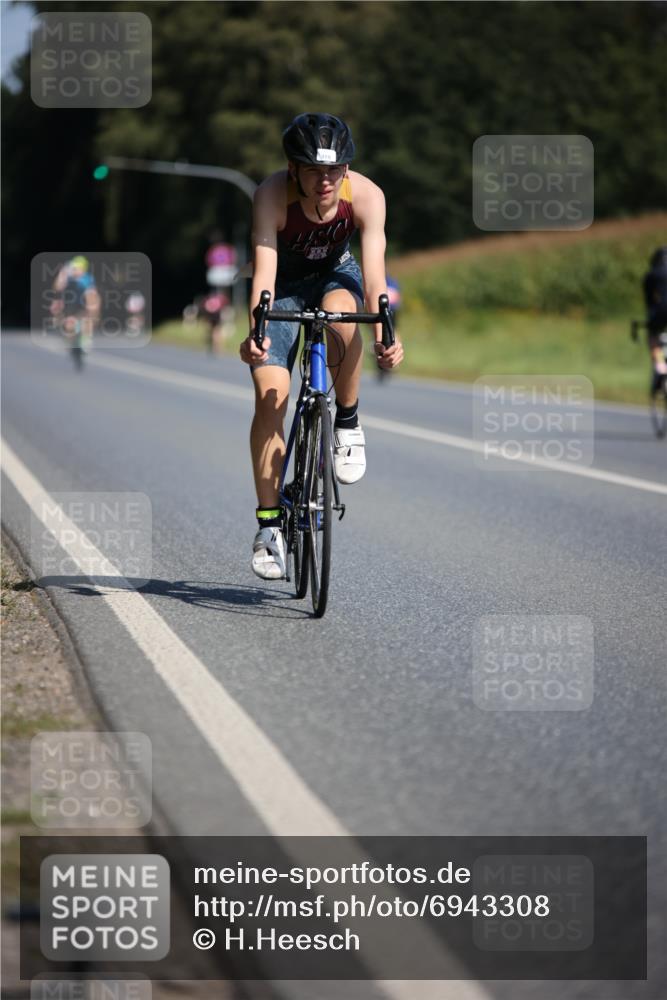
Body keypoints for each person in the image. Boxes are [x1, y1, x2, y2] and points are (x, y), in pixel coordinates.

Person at [239, 112, 404, 579]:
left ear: (347, 169)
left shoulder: (368, 197)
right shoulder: (271, 196)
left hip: (337, 275)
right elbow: (265, 272)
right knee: (271, 395)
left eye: (334, 170)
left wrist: (384, 336)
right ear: (293, 169)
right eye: (313, 170)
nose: (325, 180)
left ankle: (347, 423)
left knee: (343, 317)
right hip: (285, 285)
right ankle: (269, 528)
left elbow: (374, 278)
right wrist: (258, 333)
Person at [643, 247, 667, 392]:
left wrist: (651, 318)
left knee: (652, 336)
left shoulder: (652, 274)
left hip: (661, 312)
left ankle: (660, 366)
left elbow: (649, 300)